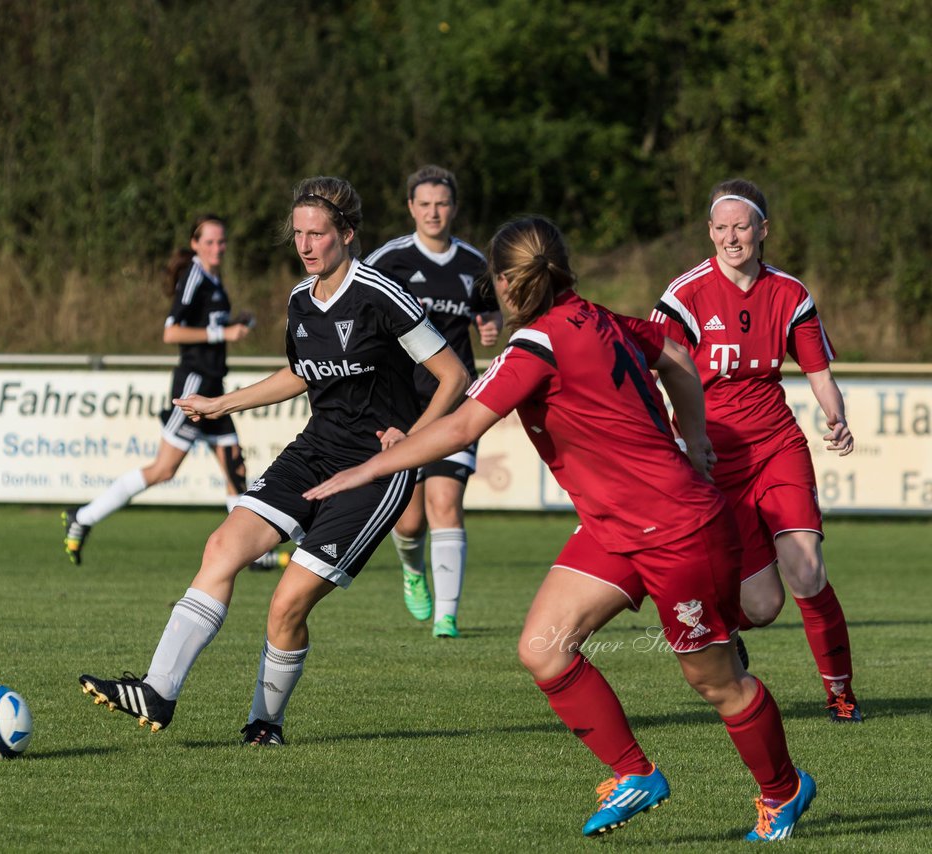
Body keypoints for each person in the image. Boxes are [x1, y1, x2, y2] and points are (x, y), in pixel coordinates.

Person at [305, 215, 816, 842]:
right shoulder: (602, 318)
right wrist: (698, 440)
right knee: (543, 649)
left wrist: (369, 467)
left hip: (676, 531)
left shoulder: (535, 347)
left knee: (715, 683)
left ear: (504, 282)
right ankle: (635, 775)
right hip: (615, 527)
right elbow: (679, 355)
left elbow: (463, 427)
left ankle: (783, 791)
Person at [77, 176, 470, 746]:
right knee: (221, 548)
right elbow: (298, 375)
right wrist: (221, 401)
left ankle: (266, 723)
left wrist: (410, 438)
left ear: (347, 235)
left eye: (319, 234)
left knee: (286, 604)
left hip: (375, 473)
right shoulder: (299, 300)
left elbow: (454, 375)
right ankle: (157, 691)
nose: (307, 245)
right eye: (299, 234)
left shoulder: (380, 296)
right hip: (312, 451)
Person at [650, 178, 861, 723]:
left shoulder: (790, 293)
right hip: (712, 459)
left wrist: (834, 415)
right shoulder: (683, 295)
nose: (730, 237)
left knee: (807, 569)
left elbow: (818, 373)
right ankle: (728, 633)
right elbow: (648, 370)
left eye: (741, 226)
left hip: (776, 446)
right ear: (710, 233)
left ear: (763, 230)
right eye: (720, 228)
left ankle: (840, 693)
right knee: (762, 606)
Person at [61, 214, 286, 571]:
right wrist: (222, 336)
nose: (217, 248)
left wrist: (232, 325)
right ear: (195, 244)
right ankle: (84, 516)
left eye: (222, 242)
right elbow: (172, 332)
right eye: (209, 242)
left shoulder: (213, 277)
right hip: (194, 387)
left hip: (213, 388)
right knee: (164, 469)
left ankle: (252, 554)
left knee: (235, 469)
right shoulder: (194, 275)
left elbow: (206, 325)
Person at [365, 165, 502, 638]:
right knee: (409, 519)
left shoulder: (472, 263)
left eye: (441, 203)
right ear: (410, 208)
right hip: (402, 407)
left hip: (457, 403)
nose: (433, 212)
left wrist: (491, 327)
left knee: (446, 500)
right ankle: (412, 569)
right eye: (424, 204)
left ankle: (447, 616)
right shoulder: (389, 260)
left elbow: (489, 317)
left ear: (453, 208)